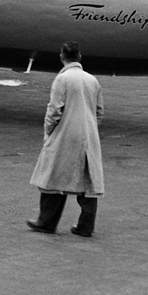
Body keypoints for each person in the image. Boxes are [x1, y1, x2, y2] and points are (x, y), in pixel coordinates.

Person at [27, 42, 106, 237]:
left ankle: (46, 222)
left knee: (51, 177)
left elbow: (54, 111)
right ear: (79, 56)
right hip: (88, 134)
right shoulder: (92, 80)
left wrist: (49, 133)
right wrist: (90, 128)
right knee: (88, 182)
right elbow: (99, 111)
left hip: (65, 133)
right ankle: (86, 226)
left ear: (62, 57)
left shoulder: (62, 79)